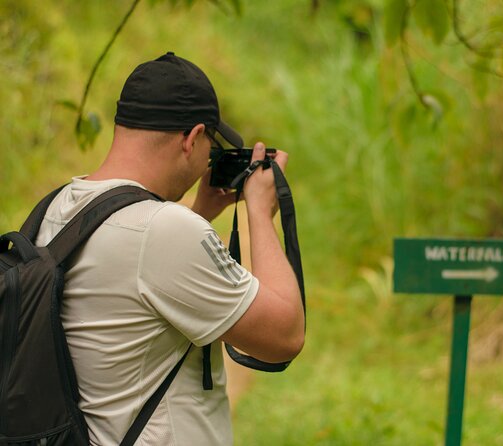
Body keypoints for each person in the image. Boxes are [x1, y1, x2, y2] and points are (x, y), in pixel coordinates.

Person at [34, 51, 305, 445]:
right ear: (192, 138)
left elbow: (130, 281)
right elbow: (284, 336)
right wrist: (260, 213)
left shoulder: (56, 208)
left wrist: (200, 213)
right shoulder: (163, 232)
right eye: (208, 147)